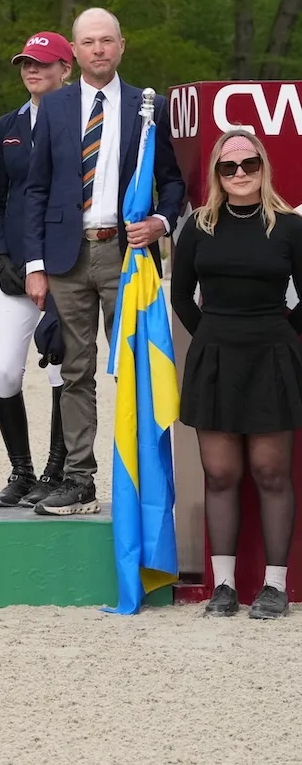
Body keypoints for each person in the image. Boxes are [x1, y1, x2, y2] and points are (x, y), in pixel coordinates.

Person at [23, 8, 185, 516]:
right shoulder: (54, 107)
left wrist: (161, 221)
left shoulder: (148, 107)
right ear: (74, 51)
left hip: (127, 254)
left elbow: (173, 181)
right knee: (75, 370)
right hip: (66, 255)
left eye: (107, 40)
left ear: (121, 45)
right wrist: (34, 264)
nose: (98, 49)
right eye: (89, 41)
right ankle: (79, 479)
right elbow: (36, 188)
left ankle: (143, 479)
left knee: (134, 369)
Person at [174, 130, 302, 619]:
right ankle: (223, 587)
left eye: (249, 164)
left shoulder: (289, 227)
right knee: (221, 474)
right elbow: (181, 295)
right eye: (229, 167)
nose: (240, 173)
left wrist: (281, 335)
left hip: (272, 356)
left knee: (272, 472)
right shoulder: (199, 226)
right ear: (217, 174)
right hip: (215, 358)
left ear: (262, 167)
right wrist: (211, 336)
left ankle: (274, 587)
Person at [0, 31, 72, 507]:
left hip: (66, 270)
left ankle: (56, 471)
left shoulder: (81, 120)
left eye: (43, 63)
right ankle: (21, 469)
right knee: (4, 373)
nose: (32, 70)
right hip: (15, 268)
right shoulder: (7, 127)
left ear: (66, 70)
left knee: (61, 371)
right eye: (26, 64)